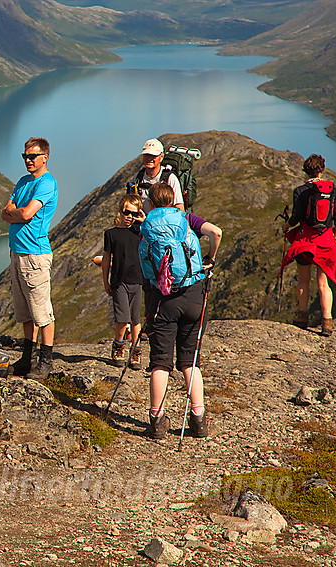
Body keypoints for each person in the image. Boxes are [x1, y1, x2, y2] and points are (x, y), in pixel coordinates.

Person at [140, 183, 221, 440]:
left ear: (151, 203)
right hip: (194, 294)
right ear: (174, 199)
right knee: (189, 361)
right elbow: (216, 232)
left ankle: (157, 421)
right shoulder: (186, 219)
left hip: (163, 300)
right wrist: (210, 257)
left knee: (160, 362)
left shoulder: (147, 227)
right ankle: (198, 421)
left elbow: (145, 265)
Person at [2, 137, 58, 380]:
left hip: (34, 254)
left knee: (42, 313)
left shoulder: (46, 183)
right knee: (24, 311)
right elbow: (5, 213)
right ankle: (27, 358)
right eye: (25, 156)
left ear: (44, 157)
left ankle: (46, 361)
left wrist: (16, 213)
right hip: (17, 253)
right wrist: (17, 214)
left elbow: (25, 213)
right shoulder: (24, 182)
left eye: (32, 156)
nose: (28, 160)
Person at [281, 154, 336, 336]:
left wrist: (286, 226)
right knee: (323, 284)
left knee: (303, 280)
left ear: (305, 171)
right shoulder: (332, 190)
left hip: (305, 243)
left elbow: (296, 217)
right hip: (325, 243)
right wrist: (335, 232)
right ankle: (327, 322)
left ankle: (302, 318)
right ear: (322, 171)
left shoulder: (300, 191)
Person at [102, 194, 146, 370]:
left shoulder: (141, 232)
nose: (129, 216)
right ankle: (118, 346)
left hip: (137, 280)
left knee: (135, 319)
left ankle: (136, 350)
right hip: (119, 282)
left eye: (133, 213)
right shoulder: (111, 234)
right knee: (122, 318)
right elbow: (106, 258)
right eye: (126, 212)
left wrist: (143, 222)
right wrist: (105, 280)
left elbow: (155, 236)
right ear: (120, 211)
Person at [130, 138, 184, 213]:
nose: (149, 159)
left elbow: (179, 207)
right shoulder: (137, 177)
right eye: (146, 155)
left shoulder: (170, 178)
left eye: (153, 156)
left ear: (161, 157)